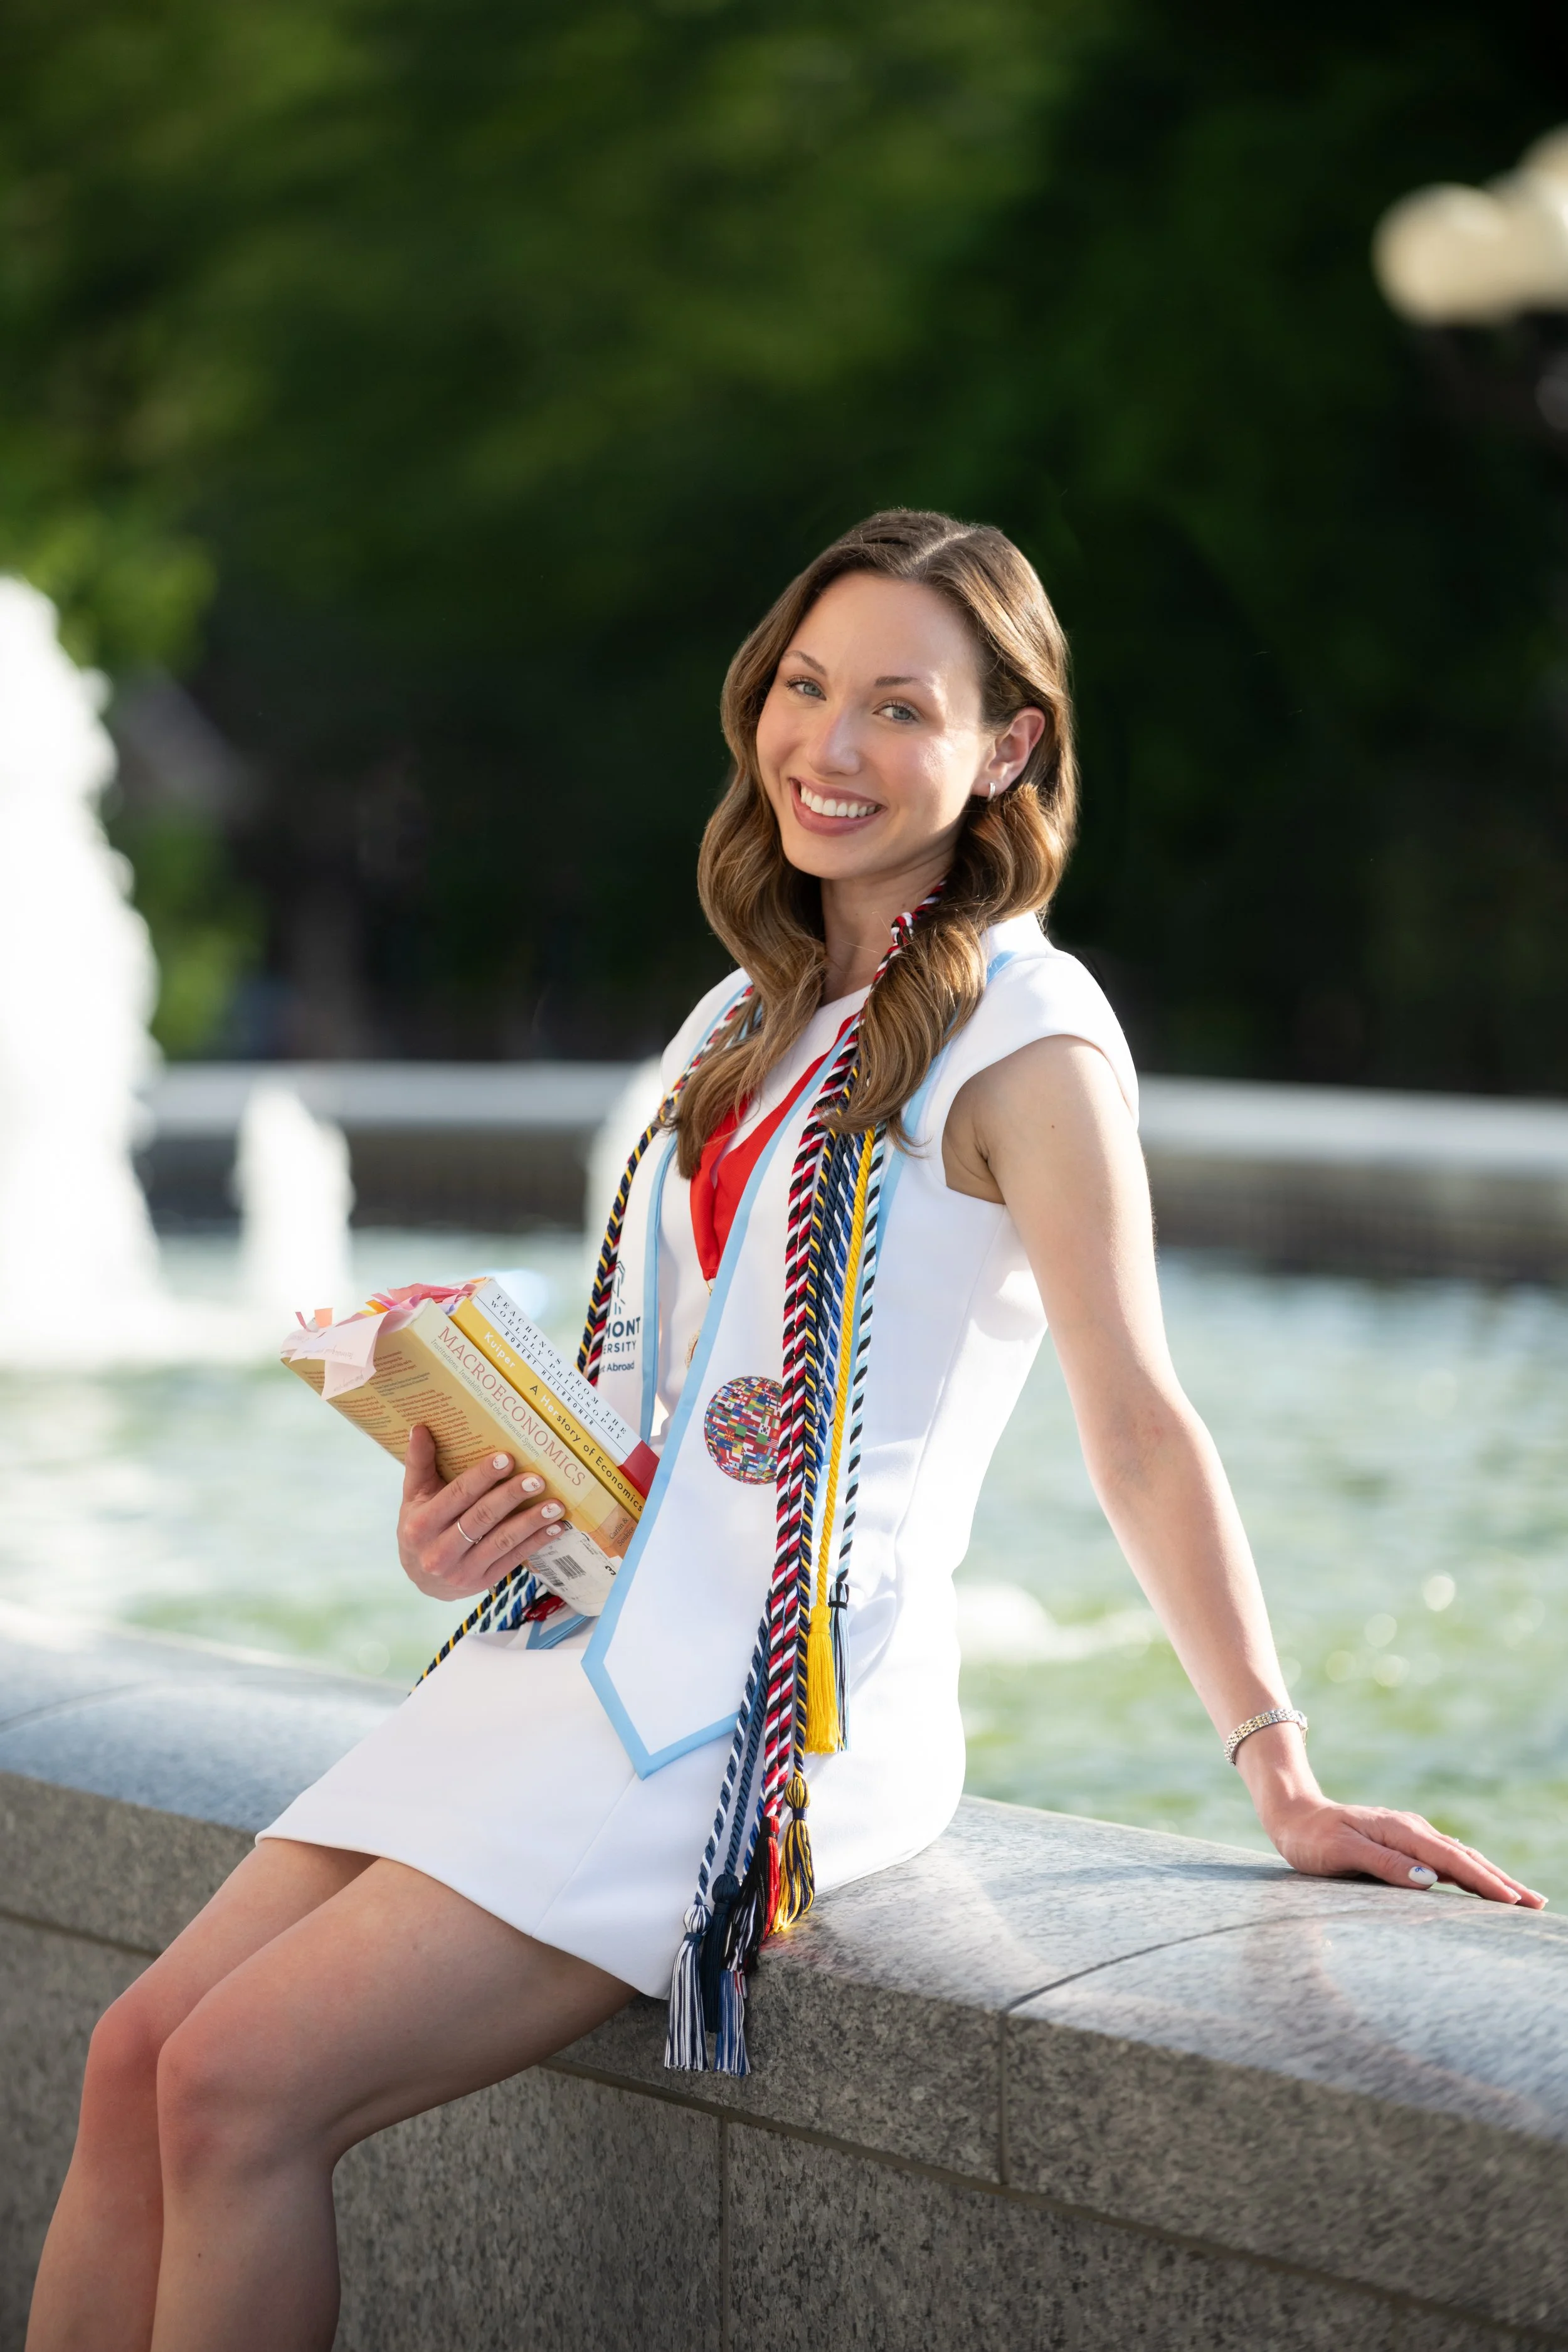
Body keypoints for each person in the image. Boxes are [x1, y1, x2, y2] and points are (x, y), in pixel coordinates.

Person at [26, 509, 1542, 2352]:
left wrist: (1274, 1767)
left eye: (897, 705)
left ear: (1009, 746)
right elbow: (649, 1409)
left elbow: (1133, 1417)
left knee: (237, 2089)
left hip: (761, 1716)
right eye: (805, 688)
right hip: (571, 1649)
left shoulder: (1027, 1041)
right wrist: (470, 1514)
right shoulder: (742, 1016)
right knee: (132, 2056)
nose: (828, 746)